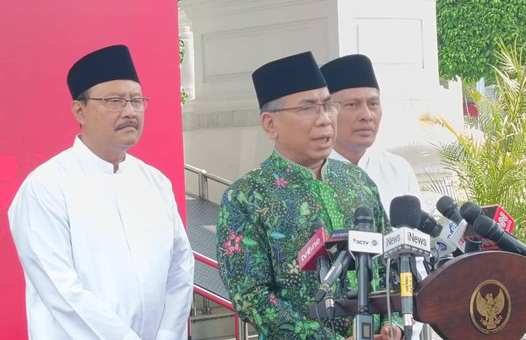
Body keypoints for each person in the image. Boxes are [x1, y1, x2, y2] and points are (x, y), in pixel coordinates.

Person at [8, 45, 194, 340]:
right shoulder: (46, 186)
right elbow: (61, 289)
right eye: (114, 101)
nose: (130, 112)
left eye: (136, 100)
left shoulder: (156, 183)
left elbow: (180, 268)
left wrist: (169, 334)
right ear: (79, 110)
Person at [216, 51, 402, 340]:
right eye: (307, 108)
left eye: (328, 106)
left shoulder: (358, 182)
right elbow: (252, 297)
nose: (325, 119)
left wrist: (394, 322)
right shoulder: (246, 198)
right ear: (270, 124)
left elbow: (390, 261)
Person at [322, 53, 439, 340]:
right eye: (352, 104)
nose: (367, 114)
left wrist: (400, 325)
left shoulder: (397, 169)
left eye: (373, 103)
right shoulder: (311, 173)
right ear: (327, 112)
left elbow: (417, 260)